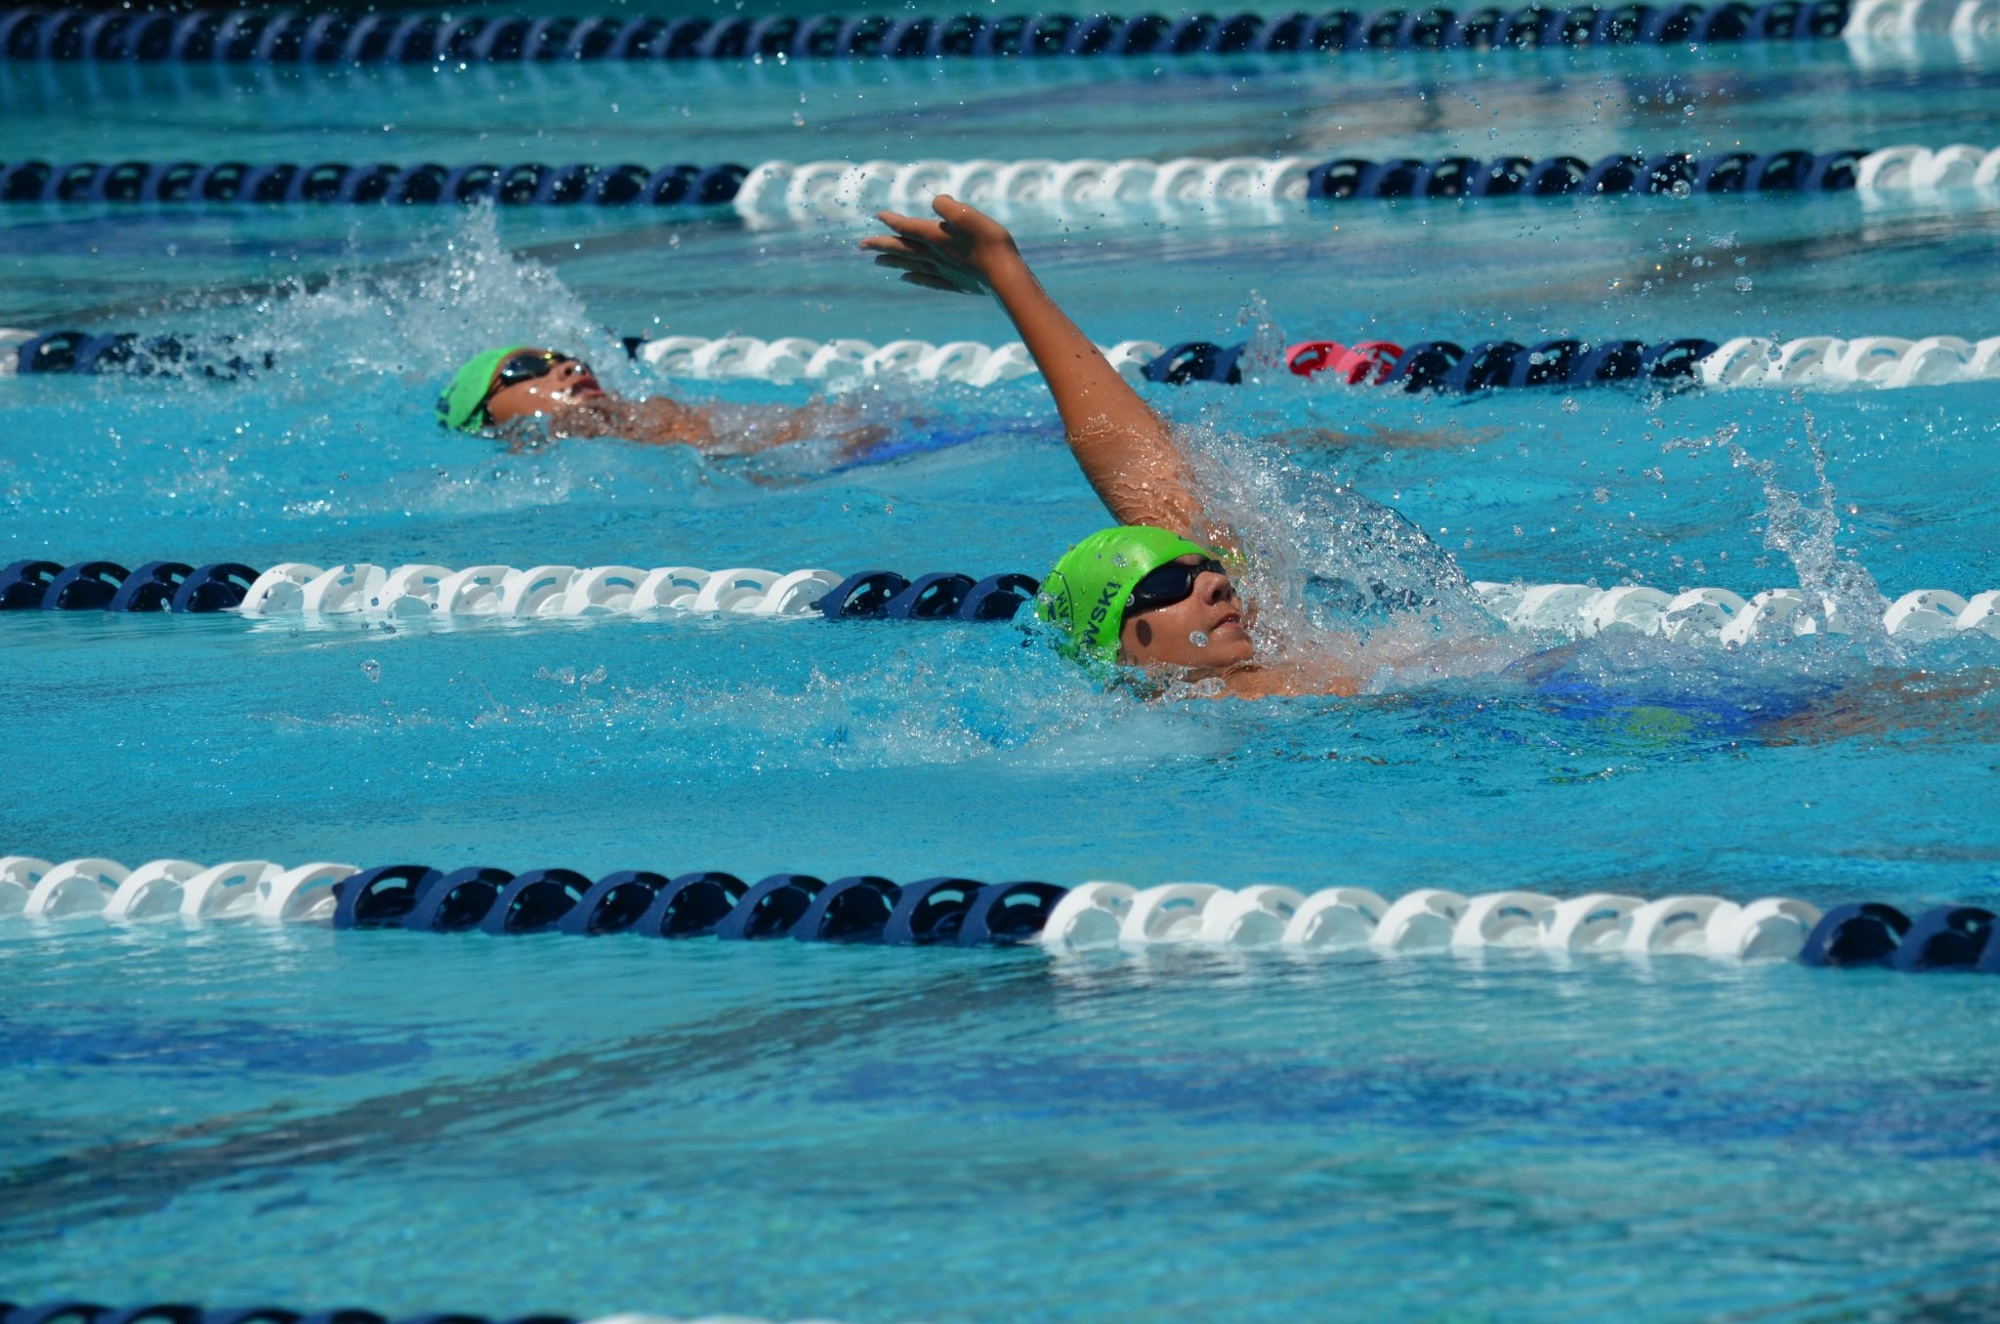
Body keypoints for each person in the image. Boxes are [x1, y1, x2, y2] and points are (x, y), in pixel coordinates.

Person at [862, 196, 1365, 698]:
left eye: (1209, 569)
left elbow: (1131, 456)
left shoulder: (1285, 658)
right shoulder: (1168, 719)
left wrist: (1005, 273)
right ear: (1116, 647)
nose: (1218, 584)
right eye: (1166, 583)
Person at [436, 344, 894, 456]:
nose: (572, 367)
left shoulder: (651, 415)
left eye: (570, 359)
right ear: (483, 411)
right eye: (527, 366)